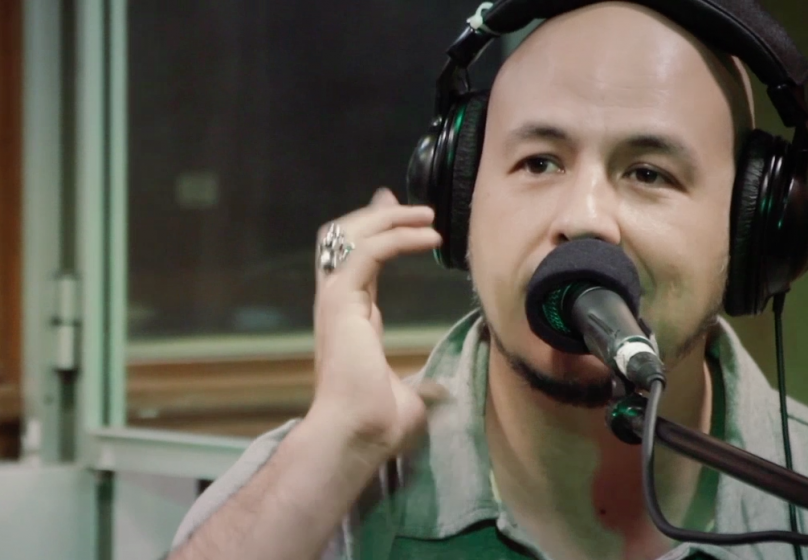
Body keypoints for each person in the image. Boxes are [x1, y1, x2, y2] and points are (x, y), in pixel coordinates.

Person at [166, 2, 808, 559]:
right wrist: (340, 448)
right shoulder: (310, 483)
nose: (583, 216)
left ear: (752, 232)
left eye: (648, 173)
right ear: (461, 203)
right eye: (540, 162)